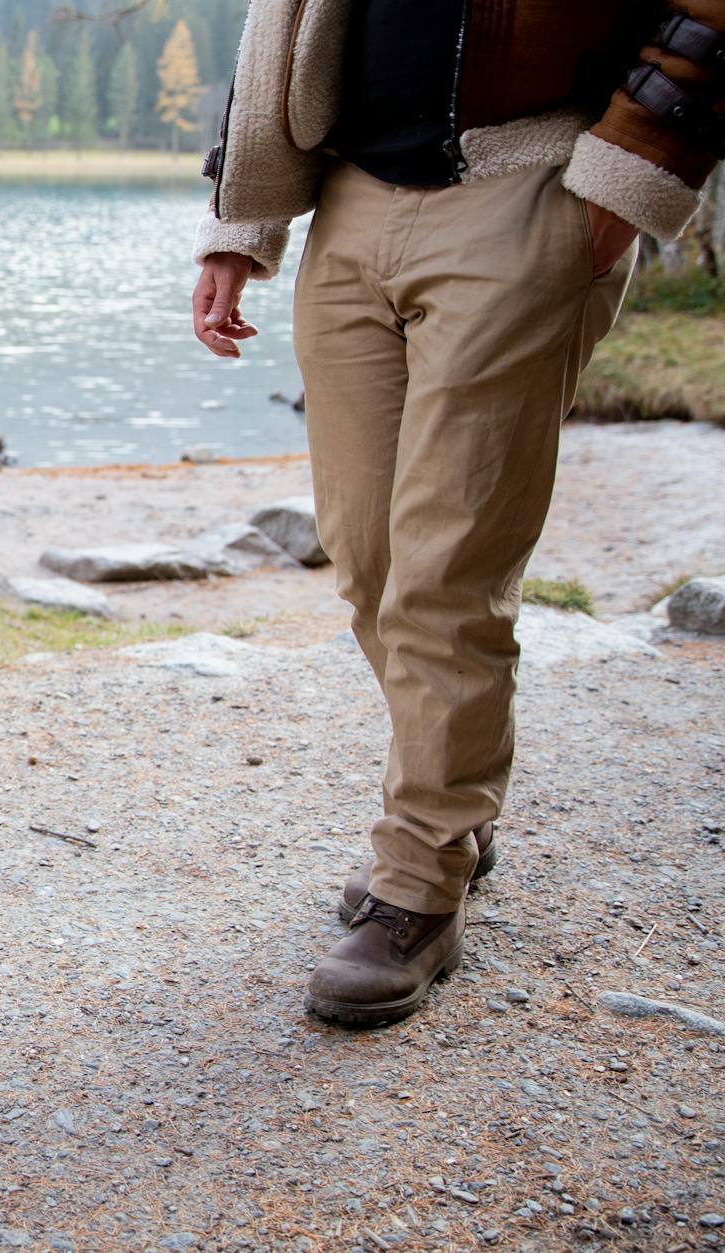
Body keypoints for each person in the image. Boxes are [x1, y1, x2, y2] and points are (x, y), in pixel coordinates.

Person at [189, 1, 724, 1026]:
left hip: (524, 187)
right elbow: (280, 26)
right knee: (368, 558)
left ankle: (418, 880)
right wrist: (239, 225)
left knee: (446, 570)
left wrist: (623, 176)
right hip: (348, 200)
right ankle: (454, 811)